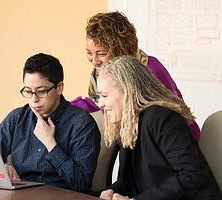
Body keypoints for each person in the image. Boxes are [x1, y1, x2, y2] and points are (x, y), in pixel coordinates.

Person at [97, 56, 222, 200]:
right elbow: (131, 180)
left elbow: (193, 174)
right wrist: (112, 190)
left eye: (104, 96)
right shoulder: (128, 124)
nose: (100, 104)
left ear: (128, 91)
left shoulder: (163, 118)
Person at [0, 53, 101, 193]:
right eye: (29, 92)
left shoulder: (82, 124)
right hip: (21, 194)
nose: (34, 100)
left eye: (41, 91)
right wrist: (2, 167)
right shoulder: (17, 118)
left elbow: (81, 184)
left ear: (59, 88)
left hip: (61, 195)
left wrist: (50, 144)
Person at [83, 11, 200, 141]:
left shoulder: (151, 71)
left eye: (101, 54)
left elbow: (165, 118)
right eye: (89, 53)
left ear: (121, 51)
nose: (94, 61)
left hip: (175, 142)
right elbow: (99, 101)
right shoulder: (104, 73)